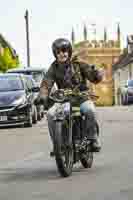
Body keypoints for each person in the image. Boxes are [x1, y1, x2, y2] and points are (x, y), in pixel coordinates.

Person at [40, 38, 103, 155]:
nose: (61, 54)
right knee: (50, 114)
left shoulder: (78, 64)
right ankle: (57, 145)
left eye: (64, 51)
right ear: (55, 54)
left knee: (90, 110)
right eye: (58, 52)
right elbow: (46, 83)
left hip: (81, 97)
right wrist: (42, 96)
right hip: (63, 100)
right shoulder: (53, 67)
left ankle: (92, 138)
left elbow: (94, 77)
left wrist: (96, 73)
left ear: (69, 51)